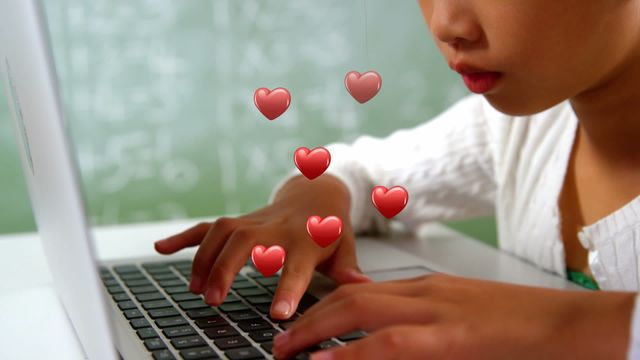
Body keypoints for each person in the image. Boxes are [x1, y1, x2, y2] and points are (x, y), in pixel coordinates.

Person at [154, 0, 640, 358]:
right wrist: (310, 198)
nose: (447, 25)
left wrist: (577, 326)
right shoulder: (519, 129)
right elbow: (361, 172)